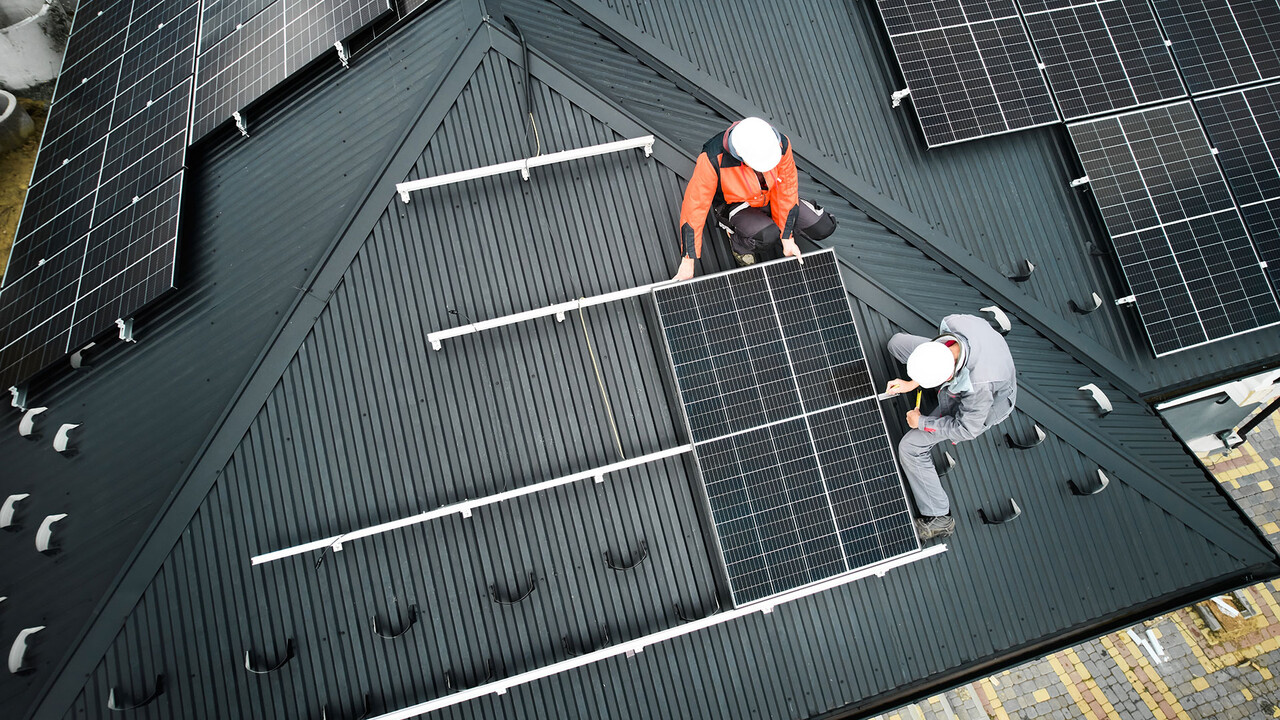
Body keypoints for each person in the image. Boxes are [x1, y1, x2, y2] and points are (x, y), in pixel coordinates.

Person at [884, 314, 1017, 541]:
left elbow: (967, 429)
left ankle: (939, 517)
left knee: (910, 447)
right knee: (897, 344)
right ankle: (925, 379)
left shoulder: (978, 387)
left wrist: (922, 422)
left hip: (985, 406)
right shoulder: (953, 323)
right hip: (964, 358)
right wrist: (913, 382)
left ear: (948, 377)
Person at [673, 117, 836, 280]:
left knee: (823, 226)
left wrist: (787, 237)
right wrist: (688, 259)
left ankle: (775, 222)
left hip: (770, 196)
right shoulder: (712, 159)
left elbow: (787, 189)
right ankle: (738, 242)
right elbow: (695, 207)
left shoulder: (779, 144)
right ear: (741, 156)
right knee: (767, 235)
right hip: (737, 205)